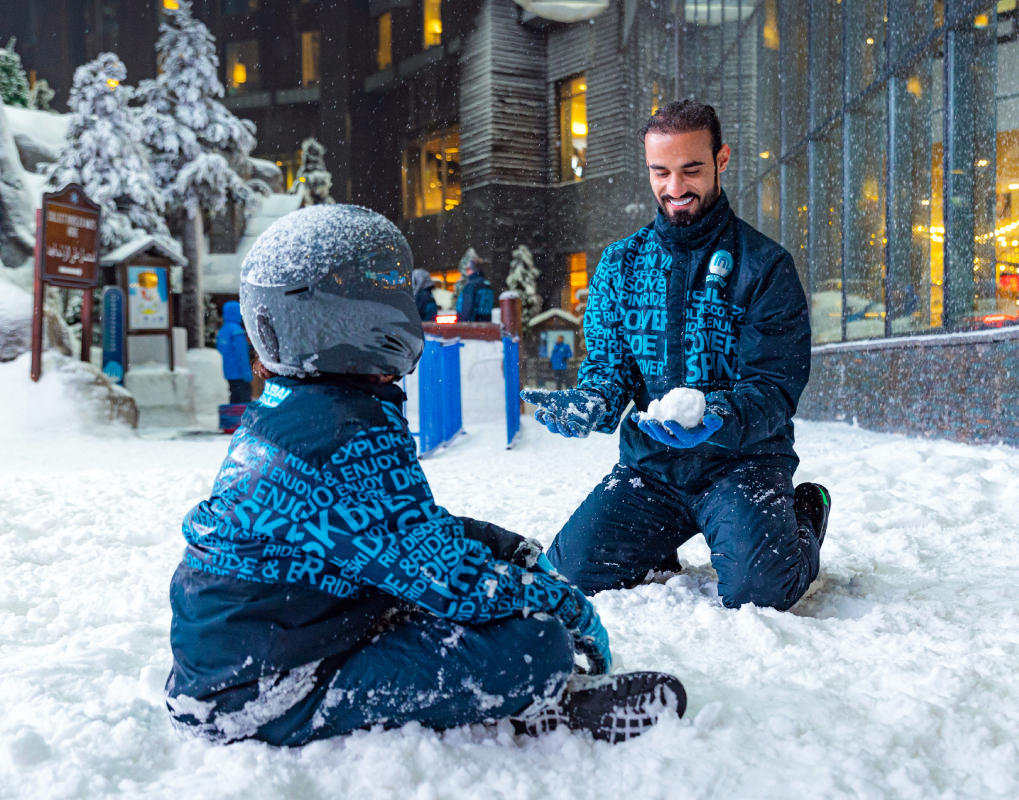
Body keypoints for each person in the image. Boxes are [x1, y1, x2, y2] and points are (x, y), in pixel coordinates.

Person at [165, 205, 685, 746]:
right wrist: (564, 605)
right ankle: (534, 705)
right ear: (349, 315)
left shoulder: (302, 408)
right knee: (533, 644)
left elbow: (396, 530)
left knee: (471, 608)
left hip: (248, 655)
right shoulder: (345, 432)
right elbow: (452, 583)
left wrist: (504, 546)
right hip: (259, 691)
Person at [522, 99, 831, 611]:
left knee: (759, 592)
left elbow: (774, 387)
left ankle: (805, 516)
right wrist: (593, 402)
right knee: (571, 573)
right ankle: (658, 542)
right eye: (660, 172)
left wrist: (718, 416)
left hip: (741, 464)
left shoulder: (765, 266)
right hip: (652, 468)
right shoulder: (621, 264)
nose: (675, 188)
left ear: (721, 159)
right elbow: (609, 367)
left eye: (691, 170)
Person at [215, 300, 252, 404]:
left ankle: (233, 420)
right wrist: (247, 374)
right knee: (244, 404)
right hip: (239, 375)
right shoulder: (237, 330)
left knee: (233, 403)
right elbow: (241, 354)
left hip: (227, 374)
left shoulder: (222, 330)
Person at [457, 256, 494, 322]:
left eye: (468, 269)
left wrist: (463, 325)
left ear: (472, 269)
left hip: (472, 326)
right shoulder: (486, 285)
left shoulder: (471, 286)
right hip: (486, 325)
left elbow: (466, 309)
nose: (467, 272)